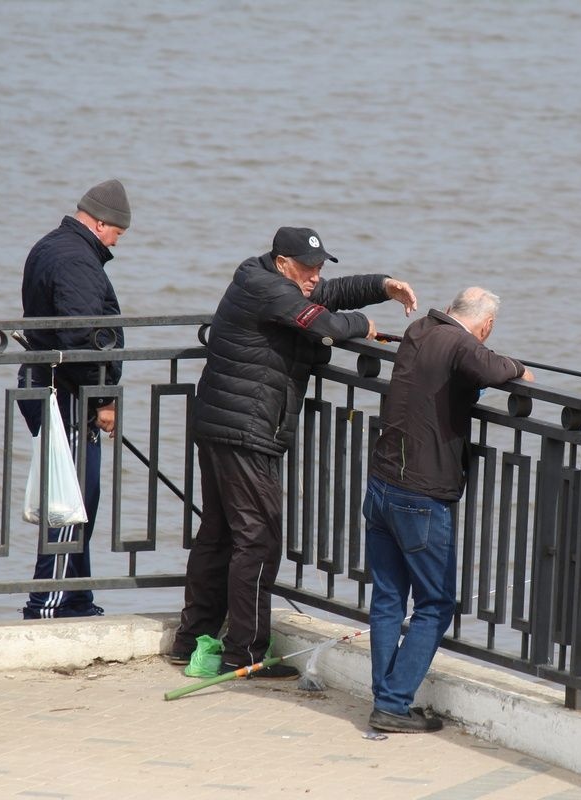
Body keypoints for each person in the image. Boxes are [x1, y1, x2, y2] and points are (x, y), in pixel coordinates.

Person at [170, 227, 418, 677]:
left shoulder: (270, 278)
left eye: (320, 266)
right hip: (246, 429)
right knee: (258, 540)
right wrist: (363, 325)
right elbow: (324, 321)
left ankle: (190, 641)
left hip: (224, 421)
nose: (315, 276)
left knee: (220, 533)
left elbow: (331, 294)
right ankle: (244, 654)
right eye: (307, 267)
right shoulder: (268, 288)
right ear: (283, 261)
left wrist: (382, 286)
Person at [363, 287, 533, 733]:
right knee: (436, 603)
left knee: (387, 597)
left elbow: (466, 368)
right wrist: (517, 367)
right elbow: (491, 367)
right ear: (486, 324)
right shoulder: (462, 344)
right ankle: (393, 703)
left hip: (381, 484)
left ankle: (386, 697)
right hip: (420, 494)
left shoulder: (422, 330)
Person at [17, 179, 130, 619]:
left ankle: (76, 595)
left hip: (47, 383)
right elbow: (83, 339)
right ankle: (48, 601)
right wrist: (103, 398)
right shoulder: (78, 261)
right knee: (71, 500)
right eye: (118, 233)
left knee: (79, 494)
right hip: (65, 393)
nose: (118, 241)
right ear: (101, 223)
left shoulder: (53, 246)